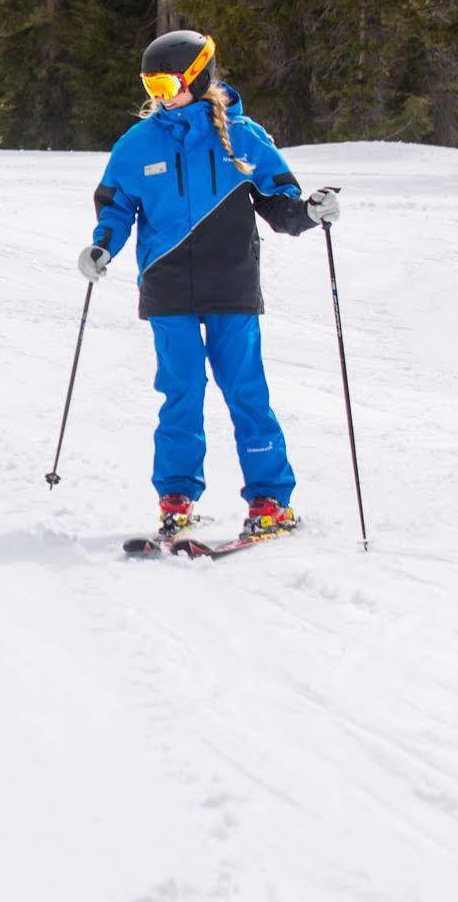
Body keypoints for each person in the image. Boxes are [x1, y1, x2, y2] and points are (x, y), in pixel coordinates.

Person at [78, 30, 340, 539]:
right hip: (167, 286)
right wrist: (102, 247)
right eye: (149, 84)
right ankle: (176, 496)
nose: (158, 95)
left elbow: (280, 206)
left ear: (197, 76)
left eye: (166, 82)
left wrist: (311, 213)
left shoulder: (243, 137)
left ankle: (268, 500)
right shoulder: (137, 144)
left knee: (246, 391)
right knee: (181, 391)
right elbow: (116, 207)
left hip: (231, 282)